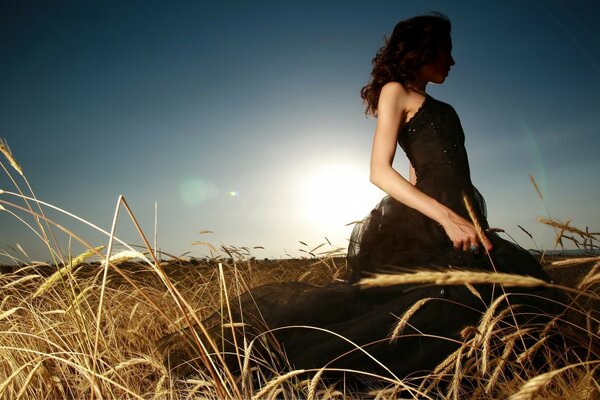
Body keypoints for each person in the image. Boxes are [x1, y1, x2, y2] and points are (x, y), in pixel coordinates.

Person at [158, 13, 560, 386]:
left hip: (454, 210)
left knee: (501, 290)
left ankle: (482, 376)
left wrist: (458, 216)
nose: (452, 60)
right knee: (430, 303)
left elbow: (415, 173)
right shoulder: (395, 91)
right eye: (446, 50)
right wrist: (443, 218)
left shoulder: (439, 105)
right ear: (423, 50)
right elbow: (378, 171)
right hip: (439, 214)